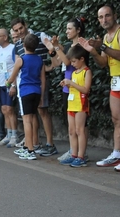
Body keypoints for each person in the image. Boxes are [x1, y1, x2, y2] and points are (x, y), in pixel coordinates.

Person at [79, 4, 120, 170]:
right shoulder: (105, 37)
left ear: (115, 15)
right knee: (116, 119)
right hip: (115, 80)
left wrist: (102, 47)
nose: (104, 20)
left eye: (107, 16)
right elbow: (103, 63)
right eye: (101, 17)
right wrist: (93, 51)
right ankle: (117, 154)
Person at [43, 17, 89, 162]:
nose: (67, 31)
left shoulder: (81, 46)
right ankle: (73, 151)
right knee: (71, 126)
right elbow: (58, 62)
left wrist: (56, 47)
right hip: (67, 89)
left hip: (78, 87)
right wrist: (52, 50)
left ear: (78, 30)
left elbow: (68, 61)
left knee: (80, 126)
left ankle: (81, 154)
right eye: (67, 28)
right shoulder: (68, 46)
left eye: (70, 28)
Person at [11, 17, 59, 156]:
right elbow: (18, 66)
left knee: (43, 111)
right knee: (31, 115)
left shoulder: (40, 35)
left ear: (25, 25)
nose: (19, 32)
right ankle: (33, 144)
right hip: (27, 84)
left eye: (21, 28)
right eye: (16, 30)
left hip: (41, 81)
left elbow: (53, 49)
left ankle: (50, 144)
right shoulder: (18, 45)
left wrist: (51, 66)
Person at [6, 34, 45, 160]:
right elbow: (42, 79)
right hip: (37, 91)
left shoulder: (21, 60)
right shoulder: (40, 59)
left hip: (25, 91)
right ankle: (30, 146)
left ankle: (30, 149)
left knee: (26, 121)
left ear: (23, 46)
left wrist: (7, 83)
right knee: (33, 118)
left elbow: (12, 78)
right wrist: (42, 96)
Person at [58, 45, 91, 167]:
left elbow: (85, 89)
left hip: (81, 105)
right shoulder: (75, 72)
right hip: (71, 104)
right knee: (71, 131)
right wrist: (67, 85)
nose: (72, 64)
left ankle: (81, 156)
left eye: (74, 61)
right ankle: (74, 154)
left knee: (79, 130)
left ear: (82, 59)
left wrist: (71, 83)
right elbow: (74, 88)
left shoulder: (86, 72)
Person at [0, 28, 18, 147]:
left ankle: (15, 135)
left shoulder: (13, 48)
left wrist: (13, 84)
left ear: (5, 37)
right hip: (2, 84)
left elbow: (16, 67)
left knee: (10, 110)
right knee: (4, 109)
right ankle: (8, 134)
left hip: (10, 84)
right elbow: (2, 67)